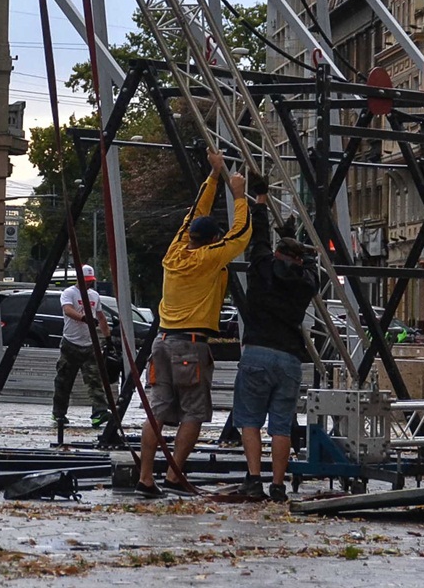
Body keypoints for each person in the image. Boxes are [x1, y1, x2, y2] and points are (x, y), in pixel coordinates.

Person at [136, 148, 252, 498]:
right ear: (213, 240)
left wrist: (214, 175)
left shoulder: (175, 252)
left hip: (161, 341)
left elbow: (194, 213)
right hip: (190, 344)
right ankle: (174, 476)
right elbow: (241, 234)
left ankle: (145, 479)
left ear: (191, 236)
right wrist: (239, 194)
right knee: (194, 412)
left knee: (156, 411)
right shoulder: (209, 258)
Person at [235, 236, 320, 502]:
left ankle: (254, 479)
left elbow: (257, 245)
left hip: (257, 351)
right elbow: (312, 269)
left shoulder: (261, 270)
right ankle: (278, 486)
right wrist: (305, 254)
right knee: (281, 426)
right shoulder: (305, 283)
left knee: (250, 420)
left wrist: (260, 203)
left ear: (276, 253)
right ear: (297, 259)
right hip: (289, 358)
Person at [51, 263, 112, 431]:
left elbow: (101, 316)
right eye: (85, 281)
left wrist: (108, 337)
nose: (88, 284)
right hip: (70, 344)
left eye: (90, 281)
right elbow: (68, 310)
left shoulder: (94, 296)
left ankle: (99, 413)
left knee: (95, 380)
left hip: (89, 345)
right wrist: (83, 318)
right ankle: (59, 413)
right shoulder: (69, 293)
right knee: (64, 380)